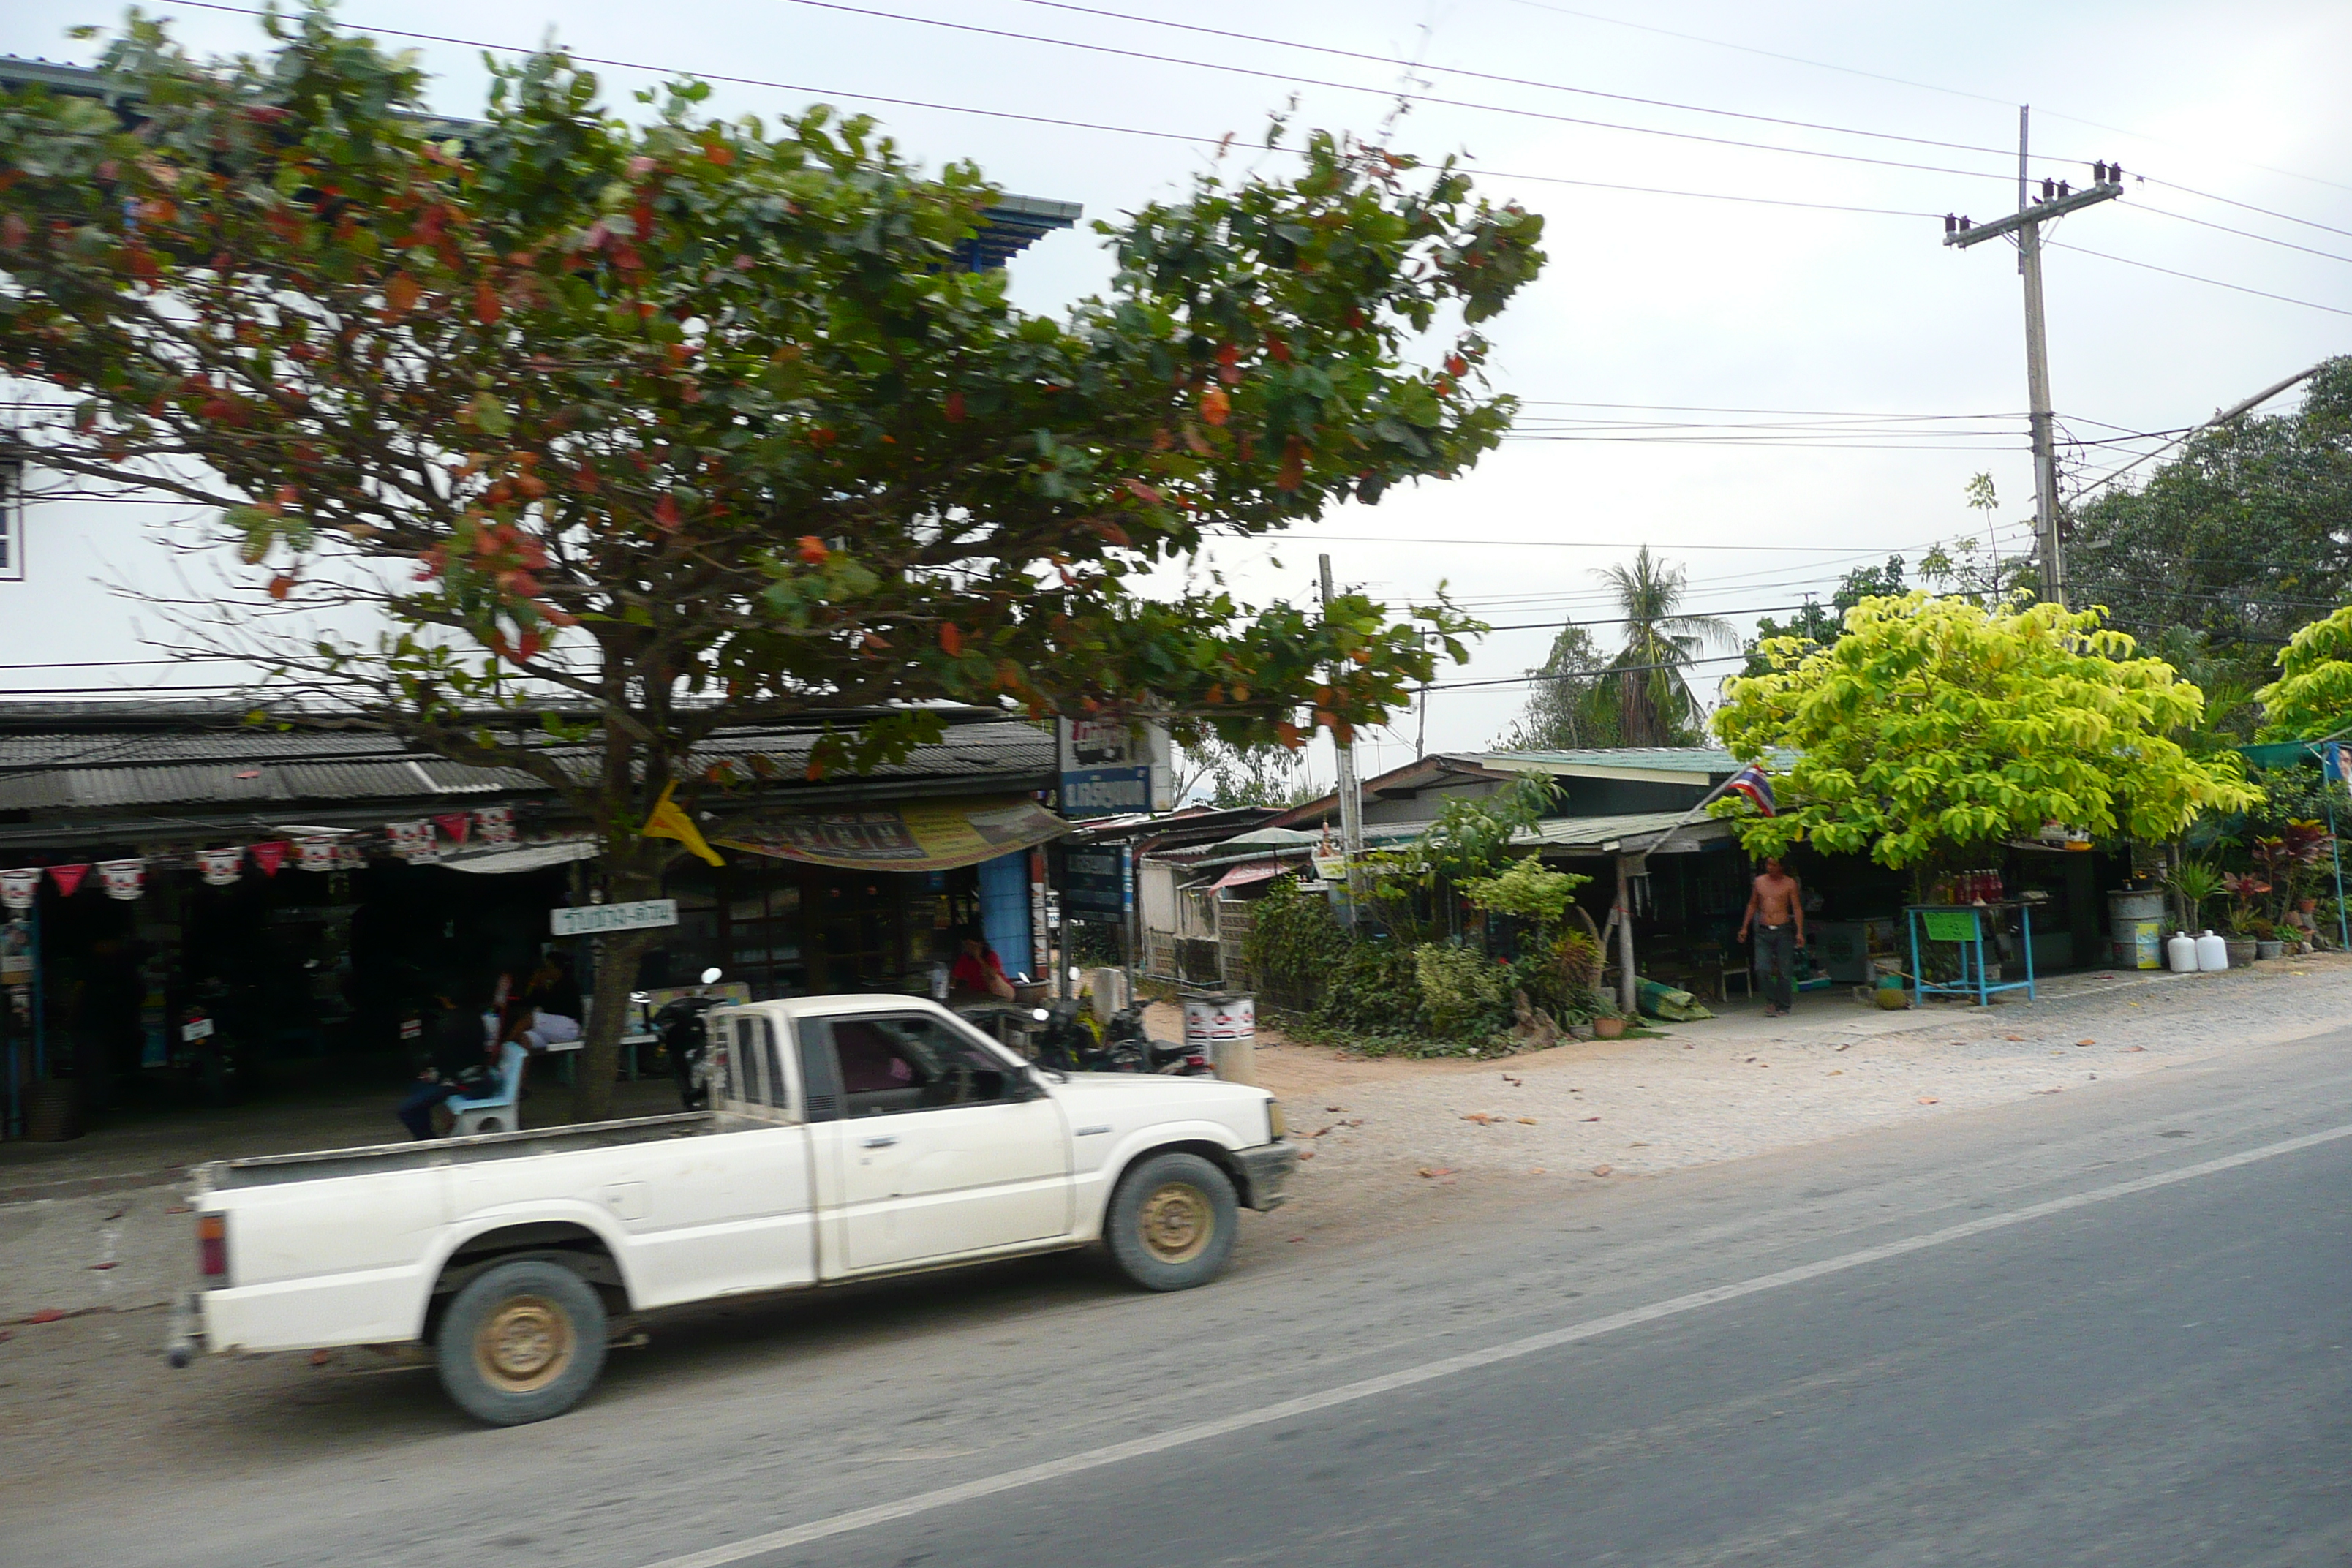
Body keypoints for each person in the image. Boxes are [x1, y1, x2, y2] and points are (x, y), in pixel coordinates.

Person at [396, 982, 495, 1139]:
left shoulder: (446, 1024)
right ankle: (433, 1133)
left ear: (446, 999)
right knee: (417, 1088)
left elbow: (442, 1062)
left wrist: (430, 1072)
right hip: (477, 1076)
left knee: (407, 1110)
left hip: (465, 1082)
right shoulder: (475, 1017)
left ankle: (428, 1140)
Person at [1737, 857, 1806, 1018]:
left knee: (1784, 970)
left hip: (1783, 930)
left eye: (1774, 865)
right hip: (1763, 931)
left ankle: (1784, 1005)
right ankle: (1771, 1000)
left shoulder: (1789, 883)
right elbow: (1753, 904)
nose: (1770, 868)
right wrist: (1745, 927)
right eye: (1768, 864)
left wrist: (1800, 931)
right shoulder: (1759, 882)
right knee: (1761, 969)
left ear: (1781, 866)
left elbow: (1796, 907)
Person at [947, 927, 1015, 1001]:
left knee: (990, 977)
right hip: (979, 994)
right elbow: (955, 977)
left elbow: (992, 975)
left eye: (971, 945)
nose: (969, 948)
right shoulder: (965, 959)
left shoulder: (991, 955)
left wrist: (979, 958)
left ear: (980, 944)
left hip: (1001, 992)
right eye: (966, 945)